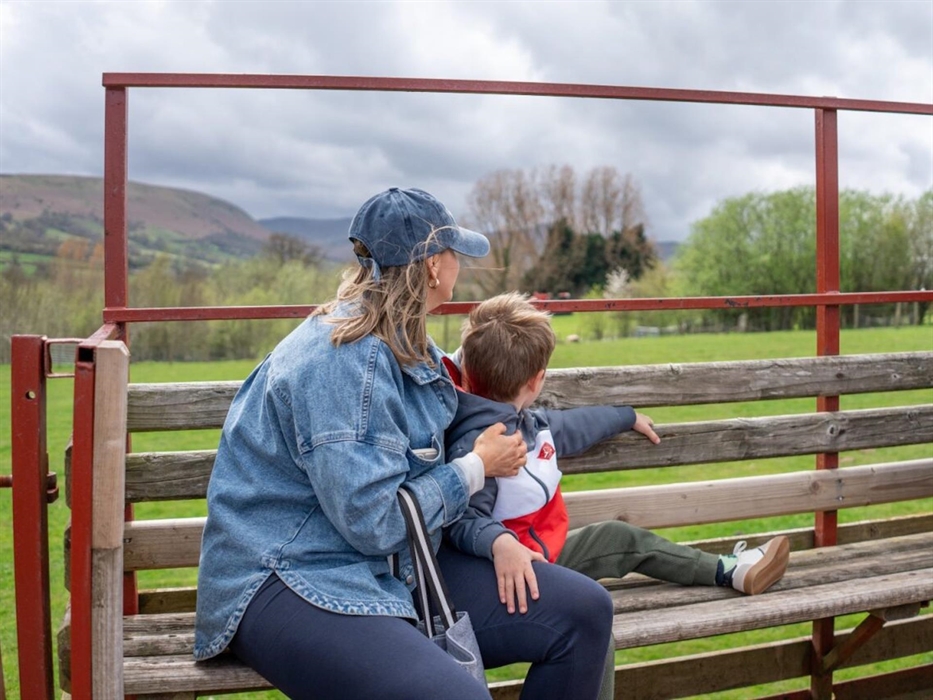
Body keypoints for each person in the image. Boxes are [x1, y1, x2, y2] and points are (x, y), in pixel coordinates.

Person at [193, 188, 615, 700]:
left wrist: (496, 531)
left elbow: (472, 407)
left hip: (395, 563)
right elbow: (376, 522)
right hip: (291, 574)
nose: (458, 266)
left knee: (585, 614)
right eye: (455, 254)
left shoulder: (409, 342)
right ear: (434, 265)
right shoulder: (344, 362)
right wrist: (476, 468)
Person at [444, 292, 792, 609]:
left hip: (547, 552)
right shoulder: (484, 445)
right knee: (595, 616)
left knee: (618, 537)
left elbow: (579, 425)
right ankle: (728, 569)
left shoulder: (533, 425)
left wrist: (625, 417)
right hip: (516, 573)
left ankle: (729, 570)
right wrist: (499, 542)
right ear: (537, 380)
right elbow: (463, 517)